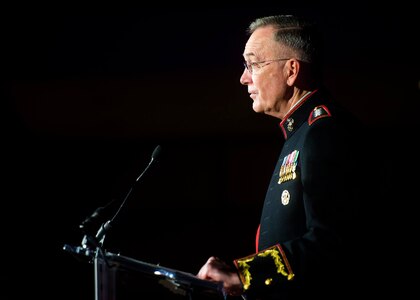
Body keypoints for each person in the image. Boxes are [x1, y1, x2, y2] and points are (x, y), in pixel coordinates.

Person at [196, 14, 372, 299]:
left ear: (291, 71)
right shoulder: (302, 133)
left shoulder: (325, 133)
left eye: (253, 64)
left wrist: (245, 274)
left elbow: (333, 241)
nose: (244, 77)